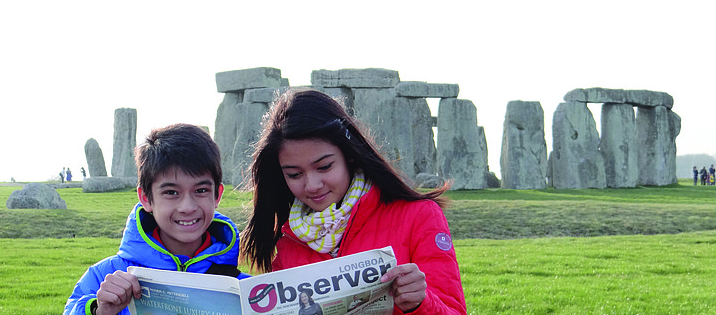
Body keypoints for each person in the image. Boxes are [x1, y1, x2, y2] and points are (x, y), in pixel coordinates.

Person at [241, 89, 468, 315]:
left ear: (349, 154)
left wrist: (421, 303)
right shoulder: (288, 245)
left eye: (324, 167)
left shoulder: (419, 216)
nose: (312, 185)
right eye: (294, 174)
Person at [63, 124, 248, 315]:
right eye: (171, 192)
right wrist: (99, 312)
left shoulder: (245, 291)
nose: (187, 207)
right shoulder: (103, 277)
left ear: (217, 195)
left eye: (201, 190)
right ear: (145, 198)